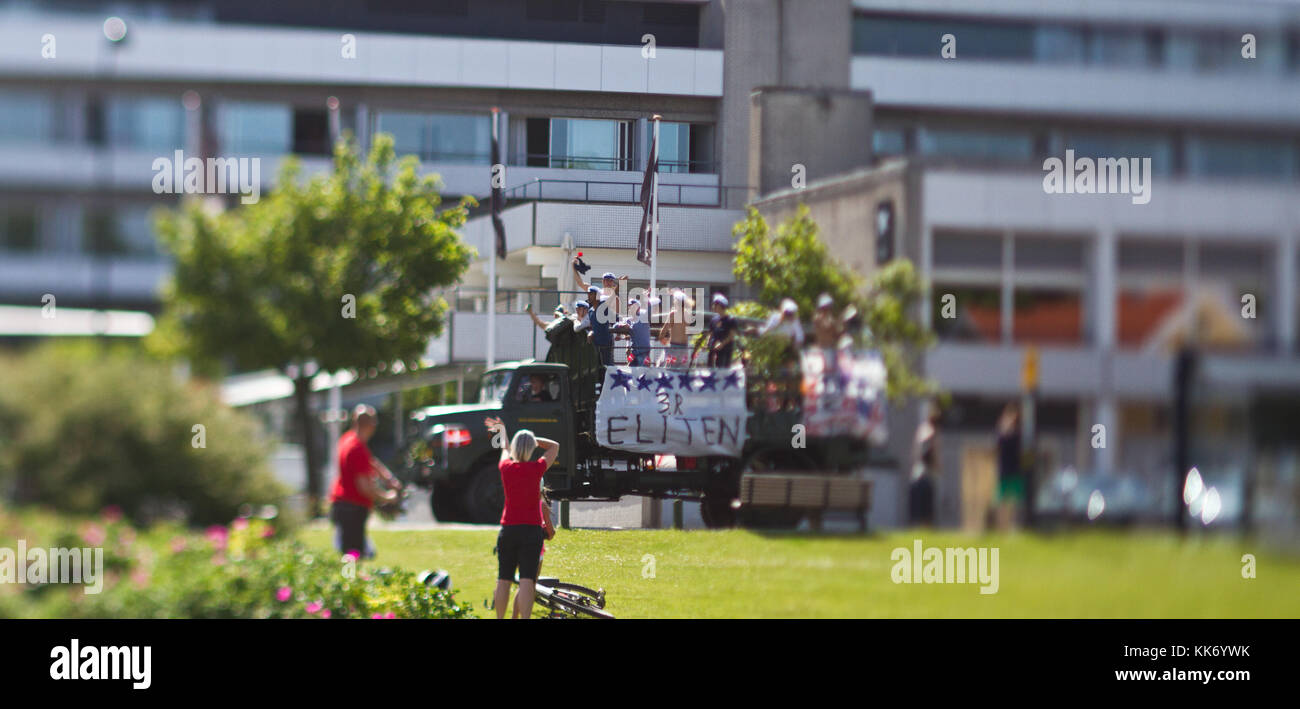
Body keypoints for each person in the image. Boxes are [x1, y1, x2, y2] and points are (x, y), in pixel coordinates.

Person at [485, 416, 559, 620]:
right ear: (531, 448)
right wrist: (534, 440)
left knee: (504, 579)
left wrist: (504, 432)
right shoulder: (537, 469)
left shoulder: (506, 468)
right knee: (527, 580)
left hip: (508, 529)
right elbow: (554, 446)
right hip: (531, 531)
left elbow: (505, 450)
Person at [328, 405, 401, 560]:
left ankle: (351, 580)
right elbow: (364, 487)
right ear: (371, 425)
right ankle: (349, 583)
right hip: (352, 508)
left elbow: (370, 461)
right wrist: (387, 497)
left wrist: (387, 478)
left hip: (343, 505)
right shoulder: (356, 449)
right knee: (352, 555)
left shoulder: (348, 439)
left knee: (352, 552)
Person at [512, 490, 556, 619]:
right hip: (534, 550)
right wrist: (547, 534)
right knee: (529, 587)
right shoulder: (541, 505)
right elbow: (550, 532)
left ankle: (514, 616)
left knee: (522, 585)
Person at [910, 404, 940, 526]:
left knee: (919, 510)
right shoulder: (930, 432)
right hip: (925, 475)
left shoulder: (921, 430)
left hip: (917, 474)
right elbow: (928, 454)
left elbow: (915, 453)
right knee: (925, 511)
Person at [994, 402, 1023, 530]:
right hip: (1005, 471)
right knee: (1002, 501)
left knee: (1015, 501)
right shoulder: (1003, 434)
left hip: (1015, 471)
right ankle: (1002, 526)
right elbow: (998, 446)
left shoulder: (1018, 434)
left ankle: (1013, 526)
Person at [693, 293, 737, 368]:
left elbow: (732, 335)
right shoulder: (714, 319)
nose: (714, 306)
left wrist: (722, 344)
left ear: (721, 306)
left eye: (716, 304)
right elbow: (711, 333)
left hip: (725, 350)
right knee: (711, 369)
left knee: (722, 370)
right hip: (713, 350)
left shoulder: (730, 320)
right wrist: (707, 344)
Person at [659, 289, 694, 367]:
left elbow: (664, 330)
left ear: (677, 302)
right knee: (682, 372)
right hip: (684, 348)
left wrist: (662, 338)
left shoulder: (673, 314)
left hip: (674, 348)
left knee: (669, 371)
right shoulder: (688, 314)